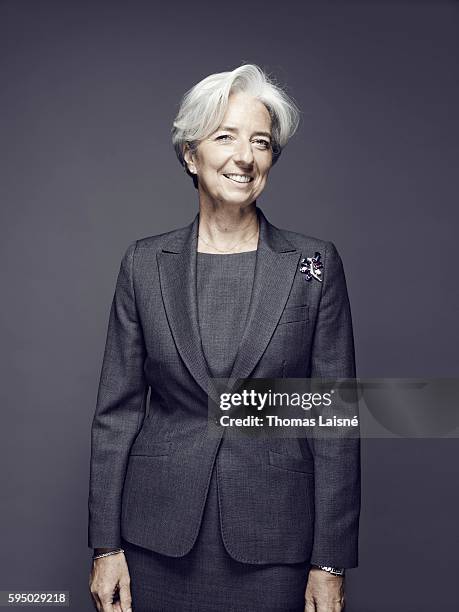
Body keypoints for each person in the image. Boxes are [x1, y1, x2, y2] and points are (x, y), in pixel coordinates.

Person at [88, 63, 360, 612]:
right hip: (154, 542)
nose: (245, 156)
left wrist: (328, 561)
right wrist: (105, 545)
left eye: (260, 142)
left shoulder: (313, 264)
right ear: (191, 155)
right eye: (225, 137)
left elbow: (333, 423)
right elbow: (115, 414)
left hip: (275, 543)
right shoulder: (144, 264)